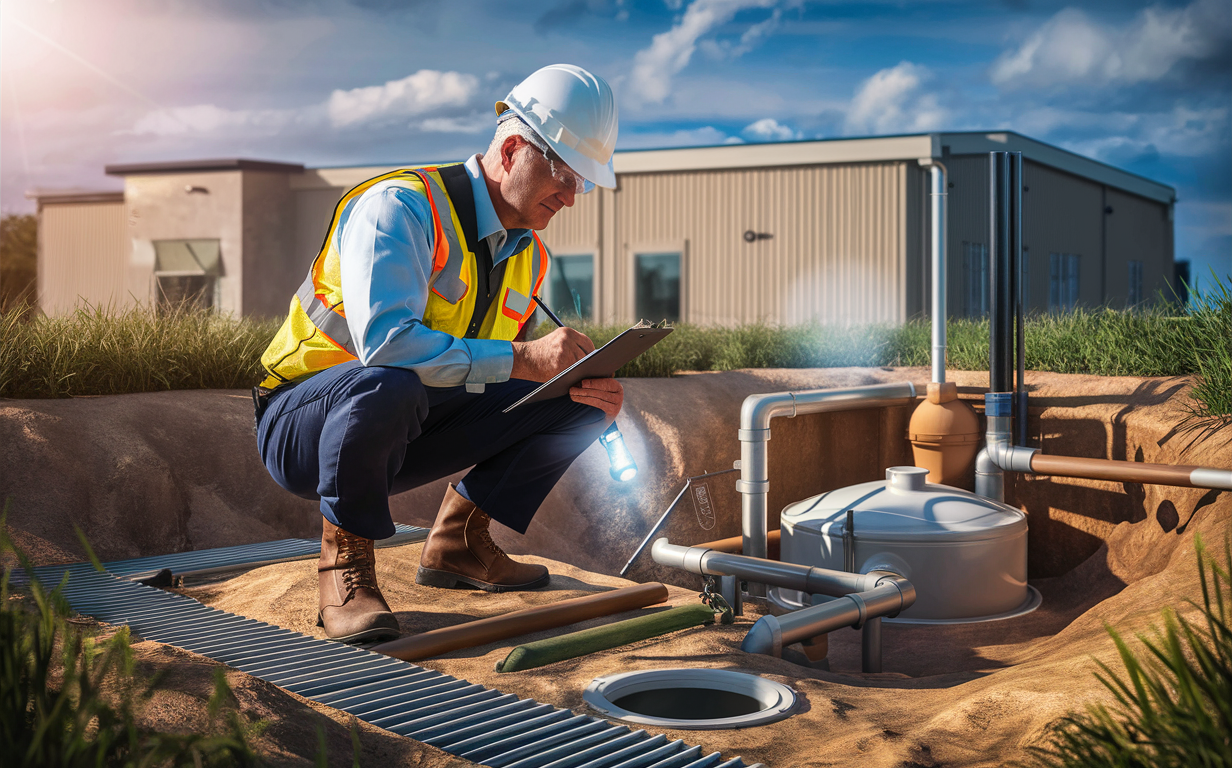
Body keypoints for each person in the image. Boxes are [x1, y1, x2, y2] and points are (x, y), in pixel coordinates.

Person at [252, 64, 623, 644]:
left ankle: (458, 544)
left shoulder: (528, 256)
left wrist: (568, 375)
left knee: (585, 402)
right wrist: (525, 359)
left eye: (584, 183)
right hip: (306, 423)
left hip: (407, 419)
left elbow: (504, 361)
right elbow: (386, 345)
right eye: (566, 176)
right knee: (389, 380)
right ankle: (343, 566)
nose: (573, 198)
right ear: (514, 150)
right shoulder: (399, 208)